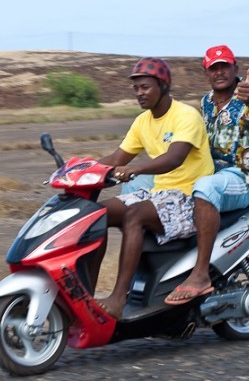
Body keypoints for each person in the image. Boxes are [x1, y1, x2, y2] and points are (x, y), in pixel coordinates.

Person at [92, 57, 214, 319]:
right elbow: (115, 159)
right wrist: (81, 168)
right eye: (136, 88)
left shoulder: (186, 116)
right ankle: (85, 296)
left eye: (145, 87)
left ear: (163, 85)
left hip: (189, 198)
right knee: (95, 214)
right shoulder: (142, 122)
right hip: (159, 194)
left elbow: (174, 158)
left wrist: (136, 170)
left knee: (135, 215)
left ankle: (118, 298)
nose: (139, 93)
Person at [165, 45, 249, 304]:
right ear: (206, 72)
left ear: (236, 69)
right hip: (212, 173)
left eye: (225, 66)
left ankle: (200, 275)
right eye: (214, 68)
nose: (219, 72)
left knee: (206, 188)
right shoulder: (206, 102)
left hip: (246, 178)